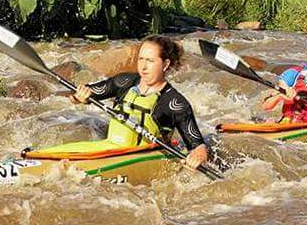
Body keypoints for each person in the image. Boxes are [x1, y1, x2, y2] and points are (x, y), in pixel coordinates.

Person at [70, 35, 209, 171]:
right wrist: (79, 96)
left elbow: (198, 147)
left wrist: (198, 156)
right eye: (141, 59)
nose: (143, 66)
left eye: (150, 61)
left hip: (144, 158)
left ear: (165, 64)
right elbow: (87, 92)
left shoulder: (175, 103)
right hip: (110, 148)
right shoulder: (124, 82)